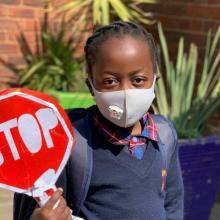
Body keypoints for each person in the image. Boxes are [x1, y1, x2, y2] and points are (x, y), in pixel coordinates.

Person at [13, 21, 184, 220]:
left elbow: (172, 202)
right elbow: (32, 213)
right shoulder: (67, 145)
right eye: (110, 81)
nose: (126, 92)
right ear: (91, 85)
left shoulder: (164, 136)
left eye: (138, 80)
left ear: (155, 81)